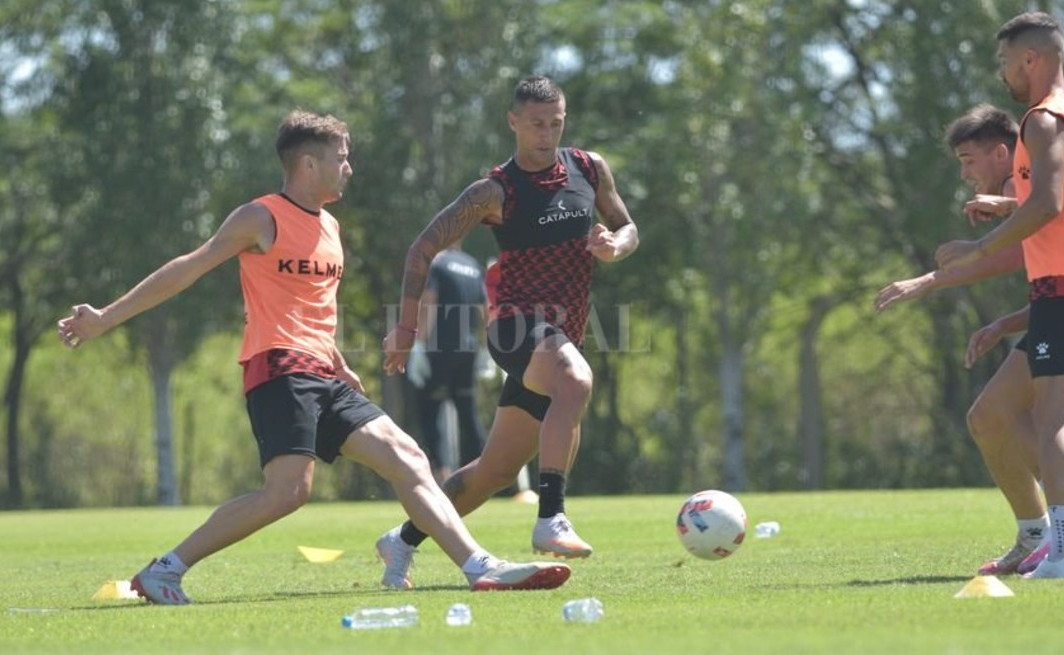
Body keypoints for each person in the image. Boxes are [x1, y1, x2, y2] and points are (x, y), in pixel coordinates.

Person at [56, 110, 571, 604]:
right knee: (287, 493)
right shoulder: (260, 217)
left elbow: (312, 308)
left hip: (322, 371)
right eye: (341, 158)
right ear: (308, 163)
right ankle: (164, 570)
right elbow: (188, 268)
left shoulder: (331, 228)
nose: (349, 168)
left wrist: (339, 361)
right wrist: (105, 317)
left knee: (408, 457)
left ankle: (479, 567)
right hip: (278, 367)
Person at [375, 76, 639, 588]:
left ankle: (401, 540)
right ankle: (551, 516)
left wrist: (615, 246)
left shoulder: (589, 167)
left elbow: (628, 226)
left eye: (555, 123)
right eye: (536, 124)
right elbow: (422, 249)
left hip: (561, 335)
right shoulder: (494, 191)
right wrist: (406, 328)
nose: (547, 133)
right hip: (516, 327)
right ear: (513, 122)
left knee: (493, 473)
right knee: (576, 381)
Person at [876, 104, 1064, 576]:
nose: (965, 174)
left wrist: (929, 280)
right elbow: (1049, 268)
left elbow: (1013, 257)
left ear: (1002, 154)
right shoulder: (1026, 189)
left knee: (1023, 418)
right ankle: (1061, 528)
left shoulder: (1018, 185)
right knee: (1001, 416)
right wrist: (1003, 325)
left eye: (969, 160)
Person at [936, 12, 1064, 579]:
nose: (1003, 73)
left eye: (1005, 62)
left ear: (1031, 59)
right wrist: (1006, 205)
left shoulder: (1042, 120)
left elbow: (1048, 205)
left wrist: (979, 246)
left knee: (1053, 422)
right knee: (1014, 414)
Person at [410, 243, 488, 483]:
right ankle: (482, 475)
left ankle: (443, 475)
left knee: (430, 411)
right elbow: (486, 308)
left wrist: (419, 345)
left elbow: (429, 301)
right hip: (468, 350)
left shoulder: (437, 262)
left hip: (441, 348)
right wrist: (485, 347)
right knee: (468, 411)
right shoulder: (473, 265)